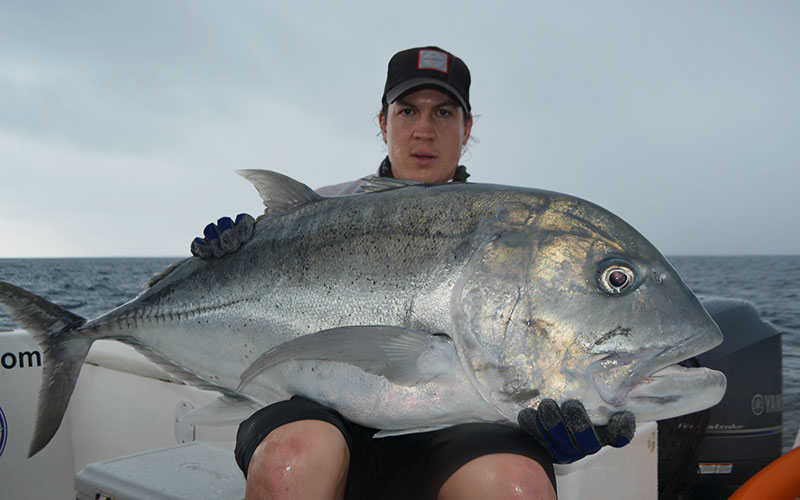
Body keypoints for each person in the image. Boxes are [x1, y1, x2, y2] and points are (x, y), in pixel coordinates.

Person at [192, 46, 635, 500]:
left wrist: (565, 400)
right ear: (383, 123)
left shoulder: (507, 233)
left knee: (517, 487)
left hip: (459, 428)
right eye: (408, 111)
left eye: (443, 112)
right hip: (316, 409)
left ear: (468, 129)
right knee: (294, 457)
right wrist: (223, 259)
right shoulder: (314, 213)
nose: (424, 130)